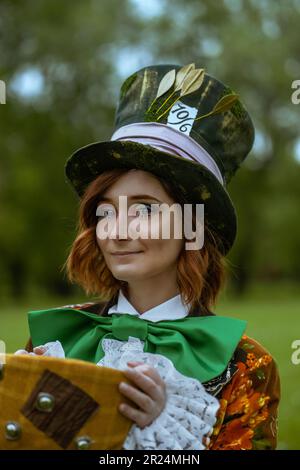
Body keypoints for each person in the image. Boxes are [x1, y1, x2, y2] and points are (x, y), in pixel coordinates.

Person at [18, 63, 280, 450]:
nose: (118, 229)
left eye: (145, 209)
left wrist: (163, 437)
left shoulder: (247, 366)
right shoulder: (56, 341)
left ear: (195, 225)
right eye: (106, 211)